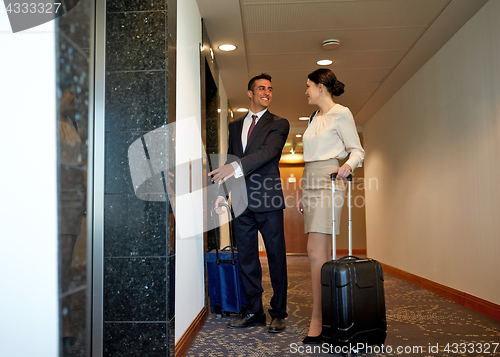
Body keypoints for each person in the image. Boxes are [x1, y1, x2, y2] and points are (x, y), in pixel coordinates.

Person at [209, 73, 290, 333]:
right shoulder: (234, 126)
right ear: (250, 93)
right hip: (241, 203)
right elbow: (229, 159)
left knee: (276, 258)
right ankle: (254, 311)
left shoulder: (279, 123)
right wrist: (221, 194)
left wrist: (233, 167)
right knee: (247, 259)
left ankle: (278, 312)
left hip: (268, 200)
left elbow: (267, 153)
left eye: (270, 88)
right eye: (261, 88)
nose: (267, 92)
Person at [297, 68, 365, 343]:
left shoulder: (342, 113)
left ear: (321, 87)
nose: (306, 91)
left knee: (314, 250)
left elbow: (357, 149)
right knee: (320, 252)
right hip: (310, 180)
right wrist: (302, 190)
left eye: (308, 86)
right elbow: (309, 157)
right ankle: (328, 315)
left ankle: (319, 318)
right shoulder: (314, 117)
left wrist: (347, 167)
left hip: (329, 179)